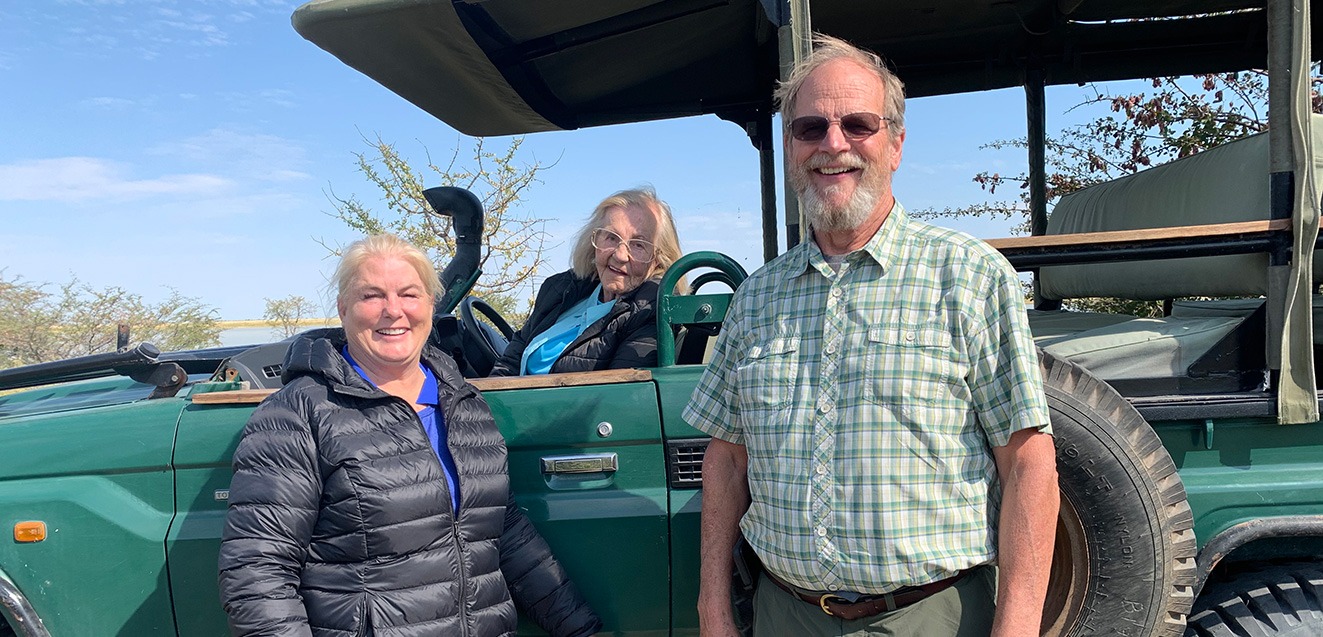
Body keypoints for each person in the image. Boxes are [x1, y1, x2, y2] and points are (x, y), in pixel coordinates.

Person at [684, 35, 1058, 637]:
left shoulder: (968, 275)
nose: (833, 144)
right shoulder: (756, 298)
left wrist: (1016, 627)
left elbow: (1029, 461)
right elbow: (727, 459)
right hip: (786, 615)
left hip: (930, 617)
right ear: (790, 148)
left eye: (857, 123)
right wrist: (712, 607)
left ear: (896, 144)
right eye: (810, 128)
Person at [217, 234, 602, 637]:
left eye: (409, 294)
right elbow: (257, 571)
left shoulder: (463, 402)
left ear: (431, 306)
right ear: (343, 308)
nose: (393, 311)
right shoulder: (298, 413)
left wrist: (580, 630)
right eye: (371, 296)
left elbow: (502, 532)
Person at [489, 187, 684, 376]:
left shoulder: (652, 309)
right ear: (595, 240)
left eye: (638, 245)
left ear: (659, 258)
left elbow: (620, 396)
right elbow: (510, 363)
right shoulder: (561, 289)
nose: (620, 255)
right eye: (611, 238)